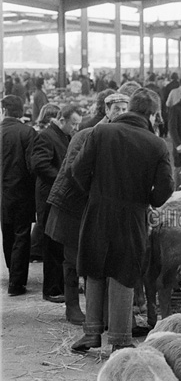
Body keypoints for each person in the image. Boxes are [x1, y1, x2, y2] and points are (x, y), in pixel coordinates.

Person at [70, 88, 173, 353]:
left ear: (129, 108)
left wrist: (94, 194)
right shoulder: (156, 144)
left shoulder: (101, 132)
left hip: (98, 210)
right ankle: (119, 339)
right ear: (153, 114)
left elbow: (77, 169)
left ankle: (91, 334)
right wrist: (147, 199)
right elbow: (166, 188)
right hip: (132, 216)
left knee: (94, 269)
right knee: (124, 273)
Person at [45, 93, 129, 325]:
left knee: (91, 259)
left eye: (125, 108)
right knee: (71, 259)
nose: (122, 113)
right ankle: (72, 307)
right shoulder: (86, 135)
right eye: (118, 109)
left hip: (91, 208)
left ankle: (96, 312)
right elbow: (73, 172)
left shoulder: (116, 136)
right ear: (107, 110)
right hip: (71, 205)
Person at [31, 105, 82, 303]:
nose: (76, 128)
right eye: (73, 123)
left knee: (60, 243)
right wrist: (63, 179)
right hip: (48, 196)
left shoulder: (65, 136)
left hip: (60, 196)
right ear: (61, 120)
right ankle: (51, 290)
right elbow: (39, 164)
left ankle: (62, 286)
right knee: (51, 244)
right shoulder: (46, 136)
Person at [1, 95, 37, 296]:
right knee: (21, 235)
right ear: (21, 111)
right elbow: (33, 166)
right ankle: (16, 282)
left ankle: (11, 272)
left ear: (4, 110)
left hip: (2, 193)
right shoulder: (27, 132)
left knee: (7, 233)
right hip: (22, 192)